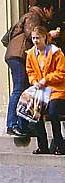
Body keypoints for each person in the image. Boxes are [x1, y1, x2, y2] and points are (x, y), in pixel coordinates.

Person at [4, 4, 60, 136]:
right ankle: (12, 124)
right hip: (18, 56)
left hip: (17, 55)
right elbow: (32, 35)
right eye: (52, 10)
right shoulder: (34, 15)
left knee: (23, 89)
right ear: (45, 9)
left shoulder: (32, 15)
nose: (52, 14)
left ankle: (22, 125)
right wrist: (49, 35)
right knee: (19, 89)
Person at [26, 25, 65, 154]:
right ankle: (42, 146)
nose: (35, 41)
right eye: (33, 38)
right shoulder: (31, 54)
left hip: (56, 90)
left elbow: (61, 73)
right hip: (41, 91)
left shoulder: (56, 53)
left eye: (38, 38)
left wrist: (46, 79)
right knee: (35, 113)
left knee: (53, 113)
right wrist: (34, 81)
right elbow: (30, 71)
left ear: (44, 37)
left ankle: (60, 145)